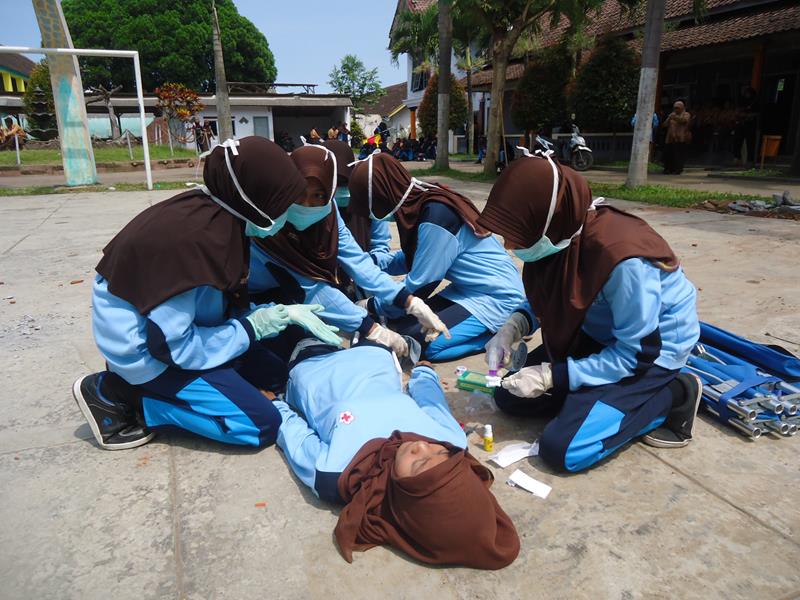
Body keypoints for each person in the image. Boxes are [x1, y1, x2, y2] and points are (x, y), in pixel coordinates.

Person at [71, 137, 342, 451]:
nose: (288, 212)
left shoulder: (220, 215)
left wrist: (264, 316)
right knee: (260, 425)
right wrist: (252, 327)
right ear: (256, 197)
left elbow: (213, 299)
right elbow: (172, 348)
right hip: (148, 354)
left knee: (275, 376)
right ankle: (121, 393)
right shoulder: (194, 241)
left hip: (182, 330)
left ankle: (174, 387)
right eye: (282, 202)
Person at [478, 151, 701, 473]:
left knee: (562, 450)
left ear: (547, 218)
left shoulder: (621, 260)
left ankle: (675, 392)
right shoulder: (558, 237)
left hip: (649, 353)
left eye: (516, 234)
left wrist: (552, 375)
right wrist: (510, 328)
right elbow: (551, 297)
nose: (509, 246)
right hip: (597, 333)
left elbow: (634, 355)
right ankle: (595, 398)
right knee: (510, 396)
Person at [274, 338, 520, 569]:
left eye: (418, 464)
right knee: (370, 323)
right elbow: (432, 403)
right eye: (440, 454)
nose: (421, 446)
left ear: (408, 505)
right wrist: (424, 373)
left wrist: (274, 405)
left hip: (312, 365)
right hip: (375, 356)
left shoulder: (339, 473)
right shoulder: (452, 442)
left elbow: (296, 437)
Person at [248, 144, 450, 358]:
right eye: (299, 194)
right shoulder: (272, 221)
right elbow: (311, 289)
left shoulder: (329, 212)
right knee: (295, 351)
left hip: (306, 288)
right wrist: (371, 328)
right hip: (257, 295)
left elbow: (358, 261)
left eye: (318, 195)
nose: (307, 205)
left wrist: (409, 301)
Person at [348, 152, 527, 361]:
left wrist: (371, 305)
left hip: (496, 296)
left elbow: (421, 284)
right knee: (402, 324)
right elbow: (414, 258)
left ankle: (497, 337)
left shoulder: (435, 216)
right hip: (466, 291)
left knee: (422, 345)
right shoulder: (419, 201)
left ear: (381, 195)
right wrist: (373, 264)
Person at [322, 140, 403, 274]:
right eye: (335, 183)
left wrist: (365, 264)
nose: (340, 189)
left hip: (362, 279)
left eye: (344, 182)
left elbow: (380, 245)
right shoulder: (311, 208)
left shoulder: (369, 203)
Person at [662, 101, 691, 175]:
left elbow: (684, 121)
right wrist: (669, 119)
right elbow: (664, 125)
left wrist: (674, 117)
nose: (675, 109)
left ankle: (678, 170)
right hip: (670, 138)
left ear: (682, 108)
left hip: (680, 138)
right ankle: (668, 169)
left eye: (677, 108)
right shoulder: (672, 115)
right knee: (668, 154)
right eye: (674, 108)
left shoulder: (686, 114)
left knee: (678, 155)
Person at [732, 87, 758, 166]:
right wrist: (739, 114)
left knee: (750, 143)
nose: (744, 93)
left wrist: (746, 115)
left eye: (746, 92)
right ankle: (737, 158)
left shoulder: (755, 101)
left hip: (750, 124)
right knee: (737, 141)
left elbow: (756, 113)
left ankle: (750, 160)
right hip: (740, 123)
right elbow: (737, 111)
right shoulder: (741, 100)